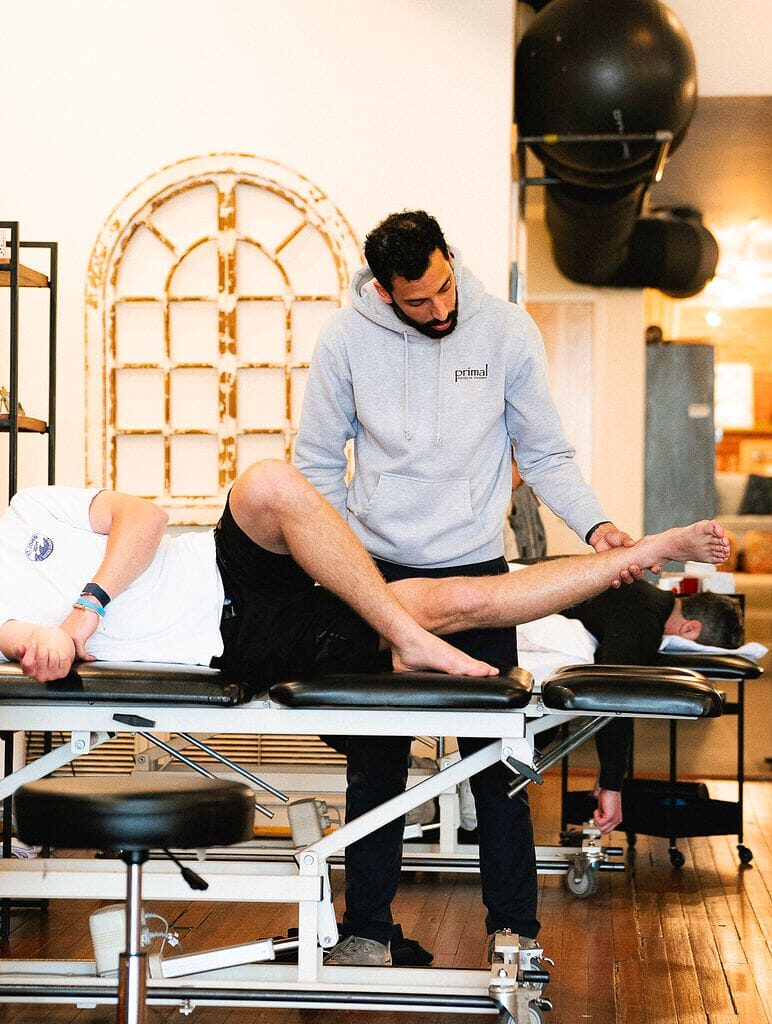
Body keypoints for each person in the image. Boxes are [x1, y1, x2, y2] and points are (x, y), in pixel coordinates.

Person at [294, 209, 639, 963]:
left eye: (445, 288)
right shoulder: (345, 340)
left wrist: (596, 526)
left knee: (498, 761)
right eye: (418, 301)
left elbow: (545, 453)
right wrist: (346, 572)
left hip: (478, 574)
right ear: (384, 291)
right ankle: (368, 930)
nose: (439, 309)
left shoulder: (506, 331)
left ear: (450, 258)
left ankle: (514, 931)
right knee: (376, 766)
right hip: (379, 576)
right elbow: (316, 465)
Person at [0, 461, 729, 696]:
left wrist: (83, 612)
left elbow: (146, 518)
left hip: (225, 563)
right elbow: (26, 644)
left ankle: (404, 637)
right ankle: (647, 551)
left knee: (269, 483)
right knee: (462, 597)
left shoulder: (27, 511)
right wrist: (51, 644)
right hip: (234, 637)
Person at [560, 584, 744, 832]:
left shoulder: (647, 601)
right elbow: (614, 695)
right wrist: (612, 786)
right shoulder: (644, 619)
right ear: (690, 629)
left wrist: (609, 773)